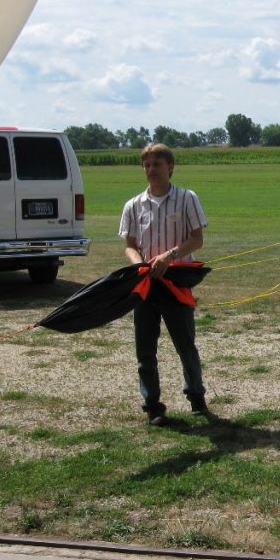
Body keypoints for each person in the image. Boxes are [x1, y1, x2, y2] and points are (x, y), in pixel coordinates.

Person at [120, 143, 210, 425]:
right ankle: (152, 405)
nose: (151, 170)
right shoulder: (133, 205)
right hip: (146, 284)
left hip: (176, 281)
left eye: (157, 165)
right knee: (145, 349)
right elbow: (130, 245)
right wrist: (139, 264)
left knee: (186, 345)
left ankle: (196, 396)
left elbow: (197, 239)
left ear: (170, 167)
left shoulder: (186, 198)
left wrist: (170, 256)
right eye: (147, 165)